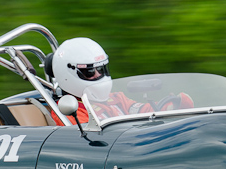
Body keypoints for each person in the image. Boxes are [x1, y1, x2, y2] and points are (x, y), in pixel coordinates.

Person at [50, 37, 194, 124]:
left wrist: (169, 106)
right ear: (67, 74)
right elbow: (89, 138)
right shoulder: (68, 110)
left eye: (101, 69)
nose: (98, 75)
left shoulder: (116, 98)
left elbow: (142, 111)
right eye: (89, 71)